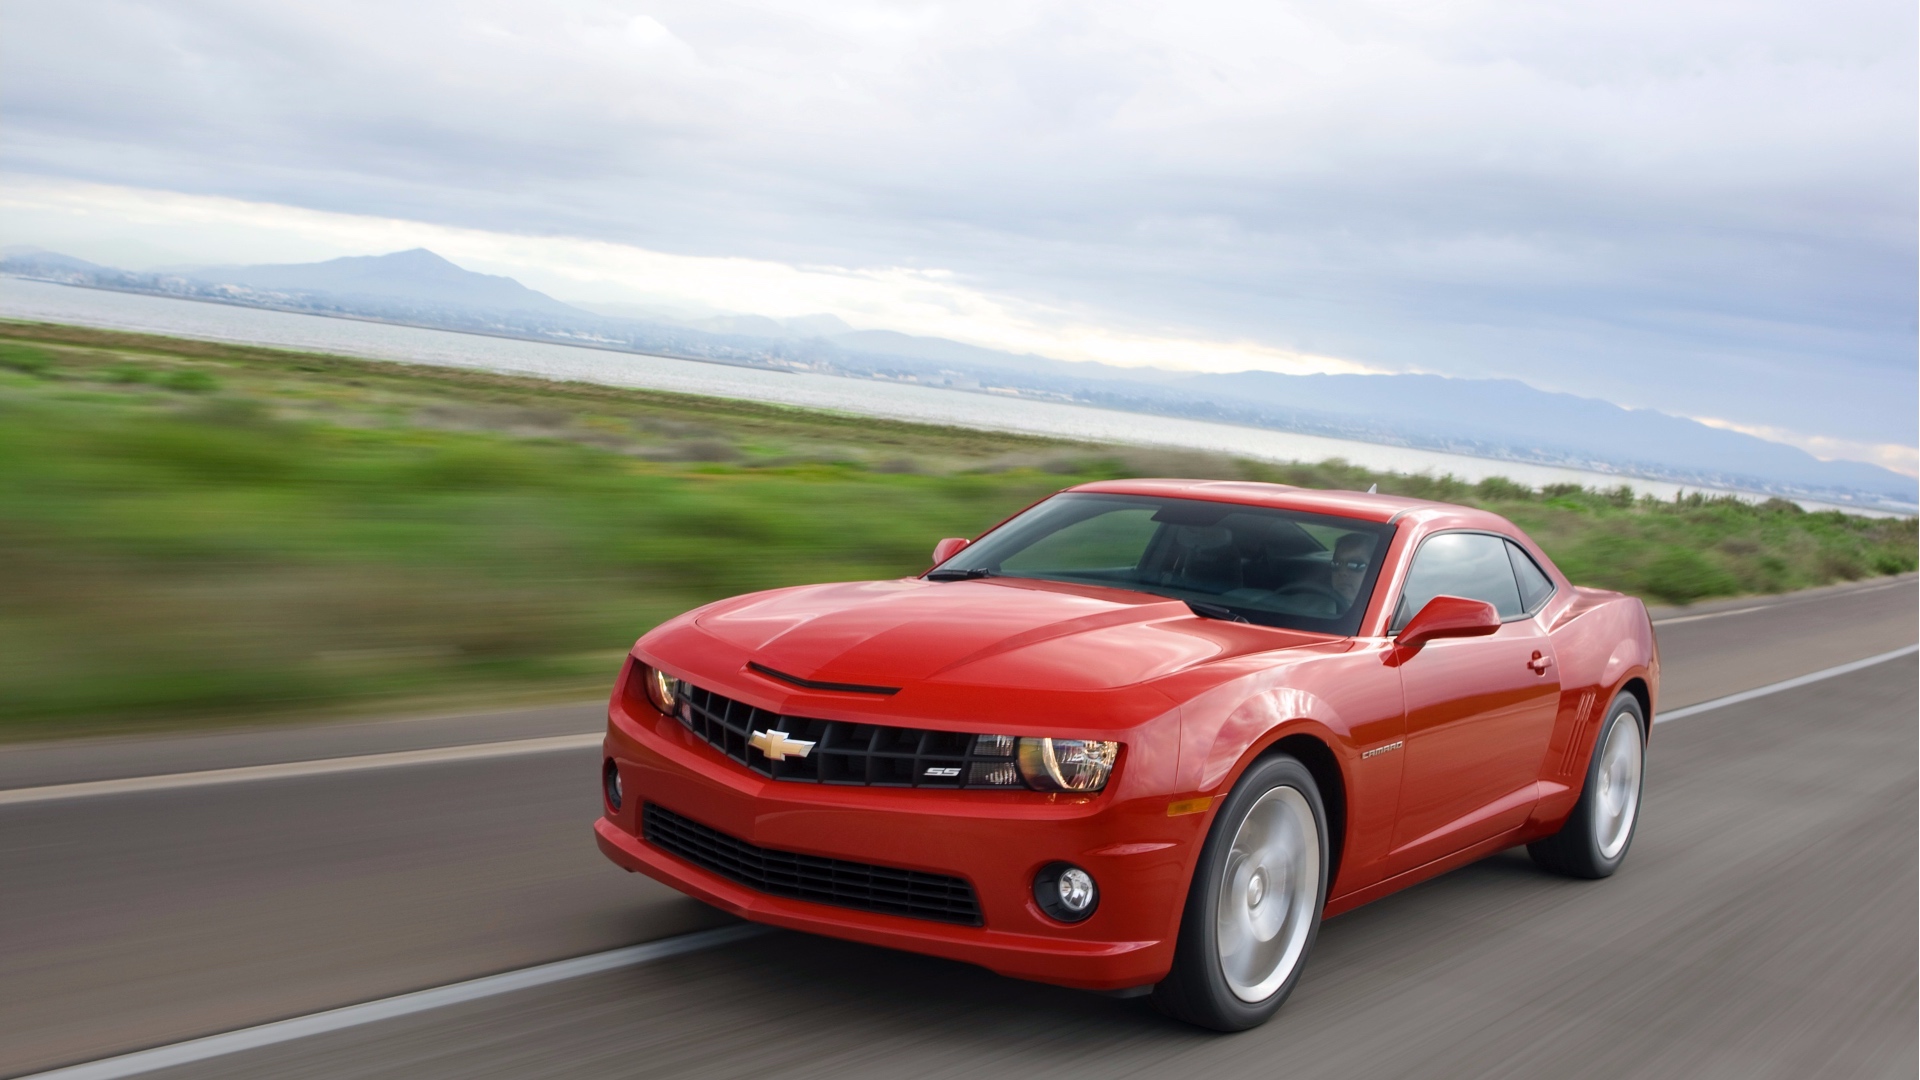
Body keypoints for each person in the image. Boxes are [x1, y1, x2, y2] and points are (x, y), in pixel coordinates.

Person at [1329, 533, 1376, 610]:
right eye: (1336, 564)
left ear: (1376, 568)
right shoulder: (1313, 608)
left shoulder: (1385, 611)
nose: (1342, 572)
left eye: (1355, 565)